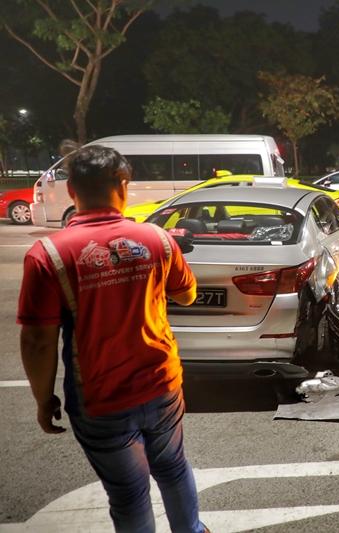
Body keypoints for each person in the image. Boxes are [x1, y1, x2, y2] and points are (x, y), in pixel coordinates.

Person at [17, 145, 207, 533]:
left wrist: (43, 399)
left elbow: (37, 340)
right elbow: (187, 294)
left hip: (99, 399)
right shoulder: (157, 238)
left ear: (71, 190)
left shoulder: (49, 254)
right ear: (123, 186)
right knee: (172, 468)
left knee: (129, 494)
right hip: (161, 385)